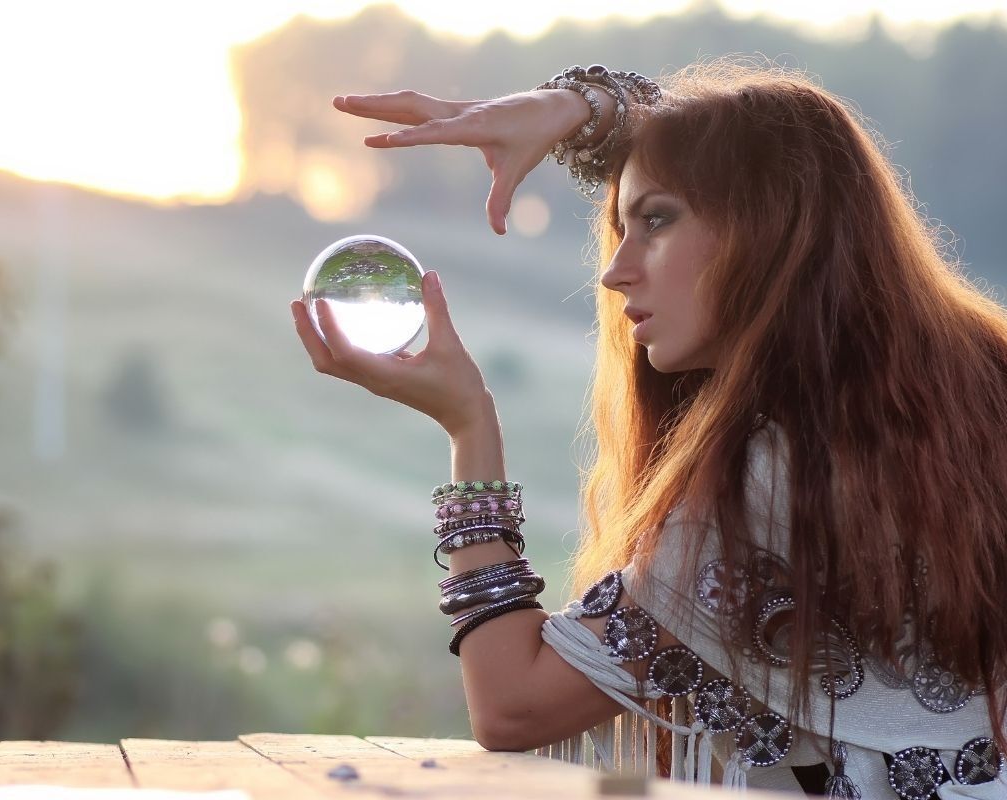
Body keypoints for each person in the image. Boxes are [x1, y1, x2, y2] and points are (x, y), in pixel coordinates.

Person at [289, 57, 1007, 798]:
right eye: (620, 228)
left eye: (657, 220)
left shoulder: (775, 478)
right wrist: (580, 107)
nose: (615, 270)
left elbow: (514, 703)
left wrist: (470, 428)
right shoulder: (975, 395)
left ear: (770, 226)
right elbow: (777, 147)